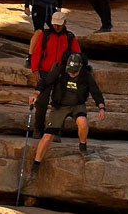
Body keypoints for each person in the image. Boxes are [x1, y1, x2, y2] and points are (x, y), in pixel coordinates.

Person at [28, 52, 106, 181]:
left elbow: (95, 91)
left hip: (77, 105)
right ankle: (35, 166)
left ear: (80, 67)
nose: (72, 74)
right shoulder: (60, 71)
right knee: (47, 137)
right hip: (60, 105)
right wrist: (36, 94)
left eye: (74, 72)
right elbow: (46, 81)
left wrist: (101, 107)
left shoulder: (86, 75)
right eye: (70, 71)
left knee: (82, 122)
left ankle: (82, 146)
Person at [30, 11, 81, 140]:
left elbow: (77, 55)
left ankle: (56, 131)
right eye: (55, 24)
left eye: (59, 24)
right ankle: (38, 128)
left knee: (59, 103)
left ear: (65, 23)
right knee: (41, 101)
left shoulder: (70, 37)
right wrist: (35, 69)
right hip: (45, 72)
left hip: (62, 74)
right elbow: (37, 52)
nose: (57, 27)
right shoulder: (45, 35)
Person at [23, 0, 64, 67]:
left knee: (58, 30)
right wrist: (27, 5)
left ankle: (56, 58)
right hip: (39, 5)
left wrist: (59, 6)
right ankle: (30, 57)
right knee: (39, 31)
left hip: (51, 7)